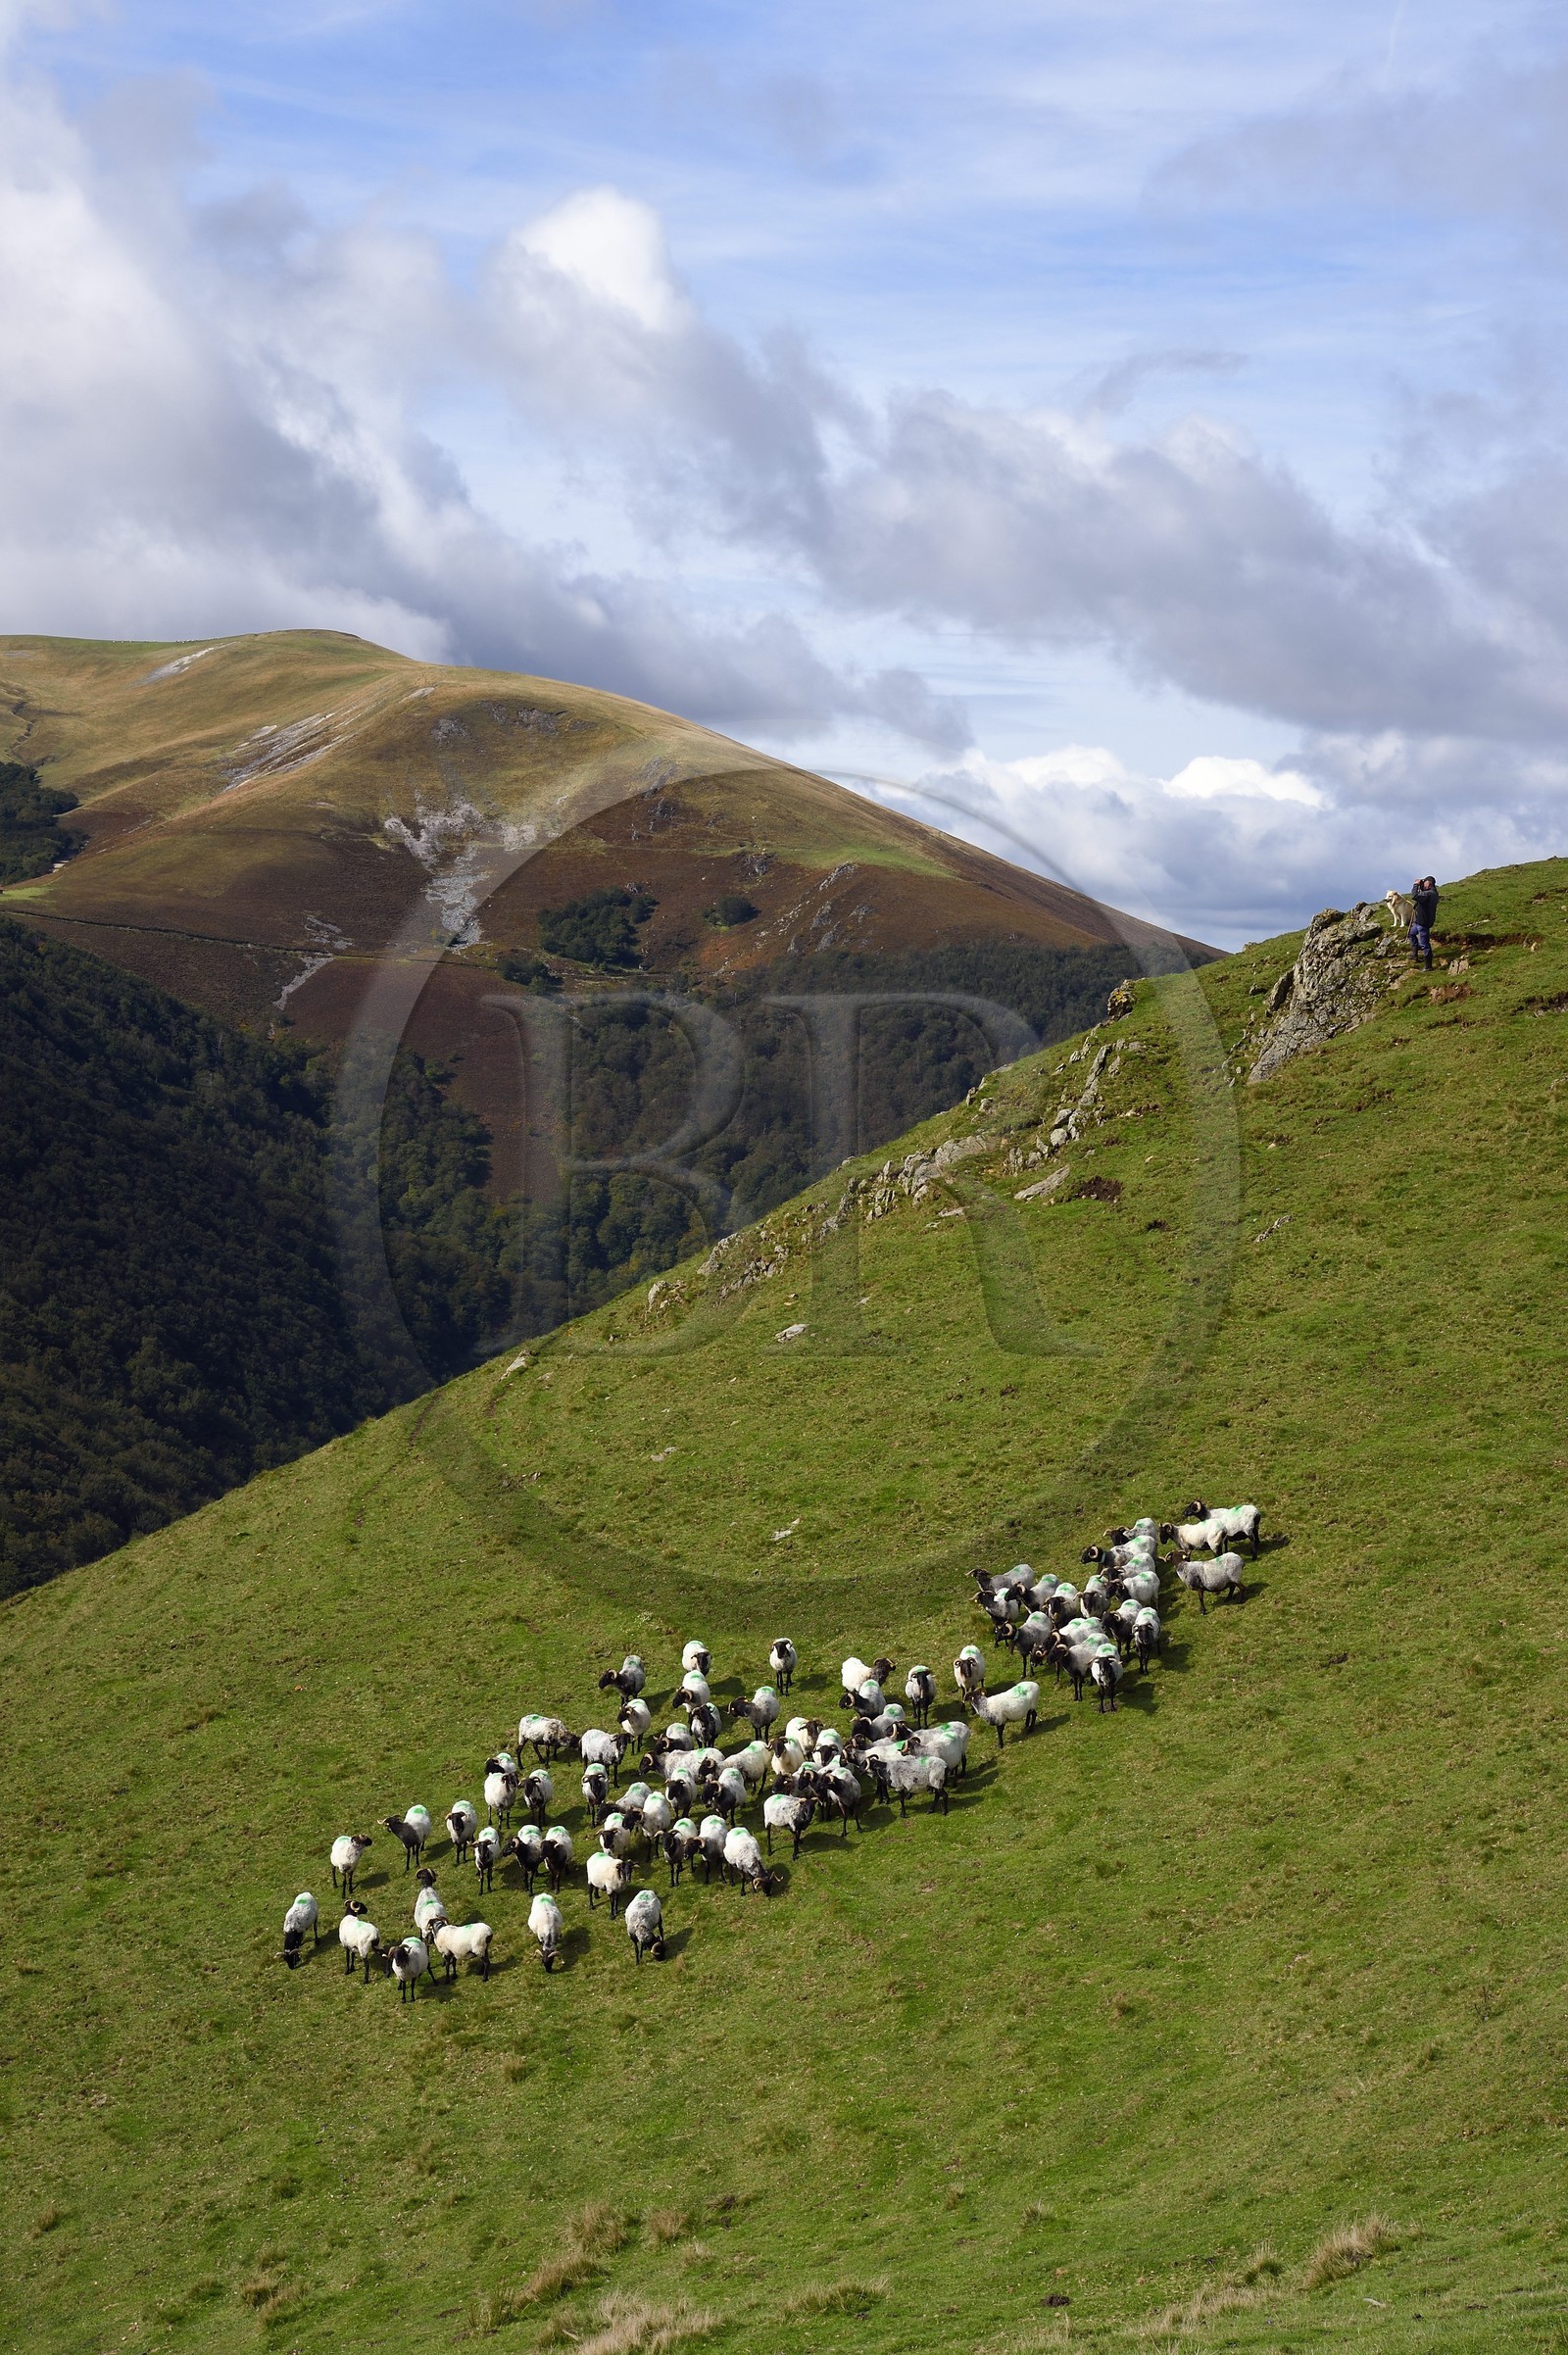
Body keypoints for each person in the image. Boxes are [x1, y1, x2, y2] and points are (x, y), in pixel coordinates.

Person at [1409, 874, 1439, 970]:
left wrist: (1416, 885)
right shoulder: (1432, 893)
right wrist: (1421, 886)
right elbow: (1421, 896)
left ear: (1428, 884)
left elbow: (1414, 895)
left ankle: (1428, 966)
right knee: (1412, 934)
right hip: (1420, 921)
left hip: (1423, 923)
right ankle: (1415, 955)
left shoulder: (1428, 895)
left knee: (1424, 944)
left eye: (1425, 882)